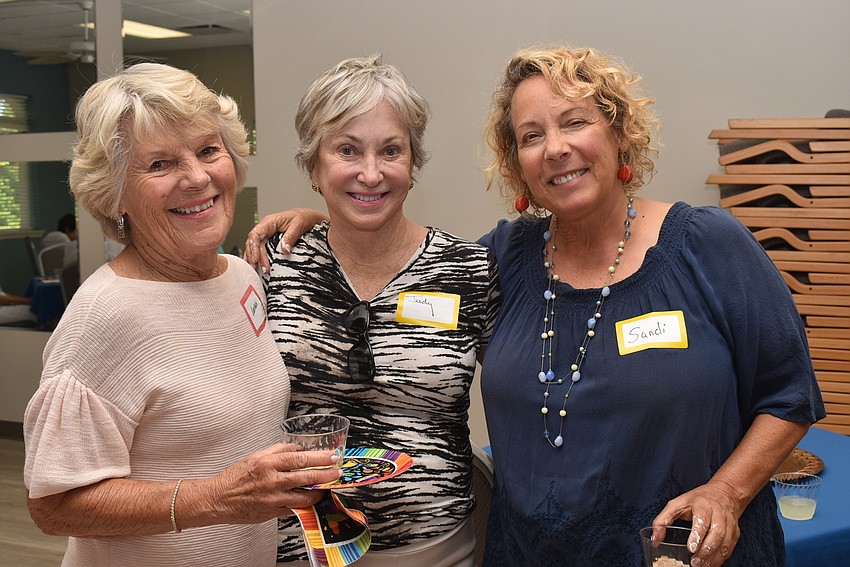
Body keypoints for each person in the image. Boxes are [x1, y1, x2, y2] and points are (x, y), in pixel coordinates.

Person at [246, 45, 825, 567]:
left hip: (679, 554)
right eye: (530, 136)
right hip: (526, 553)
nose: (556, 148)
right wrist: (327, 225)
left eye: (575, 122)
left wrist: (727, 492)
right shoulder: (504, 260)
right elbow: (398, 264)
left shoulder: (708, 244)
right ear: (517, 161)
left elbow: (789, 392)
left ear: (620, 133)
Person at [23, 63, 341, 567]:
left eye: (208, 151)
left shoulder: (242, 278)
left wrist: (322, 217)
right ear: (115, 194)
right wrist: (213, 497)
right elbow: (53, 505)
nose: (196, 177)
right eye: (160, 165)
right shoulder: (104, 316)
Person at [245, 54, 499, 565]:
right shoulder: (270, 266)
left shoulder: (469, 270)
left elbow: (521, 395)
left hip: (437, 549)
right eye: (346, 150)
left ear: (413, 164)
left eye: (391, 150)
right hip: (300, 549)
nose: (371, 172)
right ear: (313, 165)